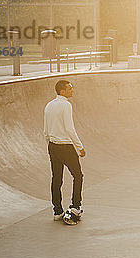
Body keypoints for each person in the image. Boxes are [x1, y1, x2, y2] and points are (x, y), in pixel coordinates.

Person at [44, 80, 85, 222]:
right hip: (66, 146)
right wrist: (79, 147)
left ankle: (57, 211)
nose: (72, 91)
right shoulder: (66, 105)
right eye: (69, 89)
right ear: (62, 91)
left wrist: (50, 145)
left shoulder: (49, 105)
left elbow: (45, 130)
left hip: (53, 146)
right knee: (78, 176)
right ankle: (75, 206)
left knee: (56, 178)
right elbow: (69, 128)